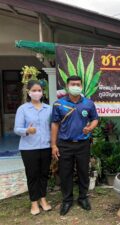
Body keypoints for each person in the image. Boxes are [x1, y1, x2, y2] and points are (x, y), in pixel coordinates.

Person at [51, 76, 99, 216]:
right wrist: (53, 145)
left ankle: (83, 198)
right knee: (65, 173)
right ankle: (67, 200)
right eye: (73, 84)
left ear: (81, 86)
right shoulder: (58, 104)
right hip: (64, 144)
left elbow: (95, 119)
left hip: (83, 144)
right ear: (67, 86)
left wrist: (90, 128)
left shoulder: (88, 103)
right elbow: (54, 124)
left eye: (78, 84)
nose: (76, 86)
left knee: (84, 172)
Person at [14, 80, 52, 215]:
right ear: (28, 92)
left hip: (46, 146)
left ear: (43, 92)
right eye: (34, 90)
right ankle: (34, 202)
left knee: (43, 174)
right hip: (28, 148)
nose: (37, 93)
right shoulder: (23, 109)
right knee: (32, 175)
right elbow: (16, 129)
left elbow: (52, 127)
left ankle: (43, 199)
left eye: (39, 90)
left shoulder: (48, 109)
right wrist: (27, 130)